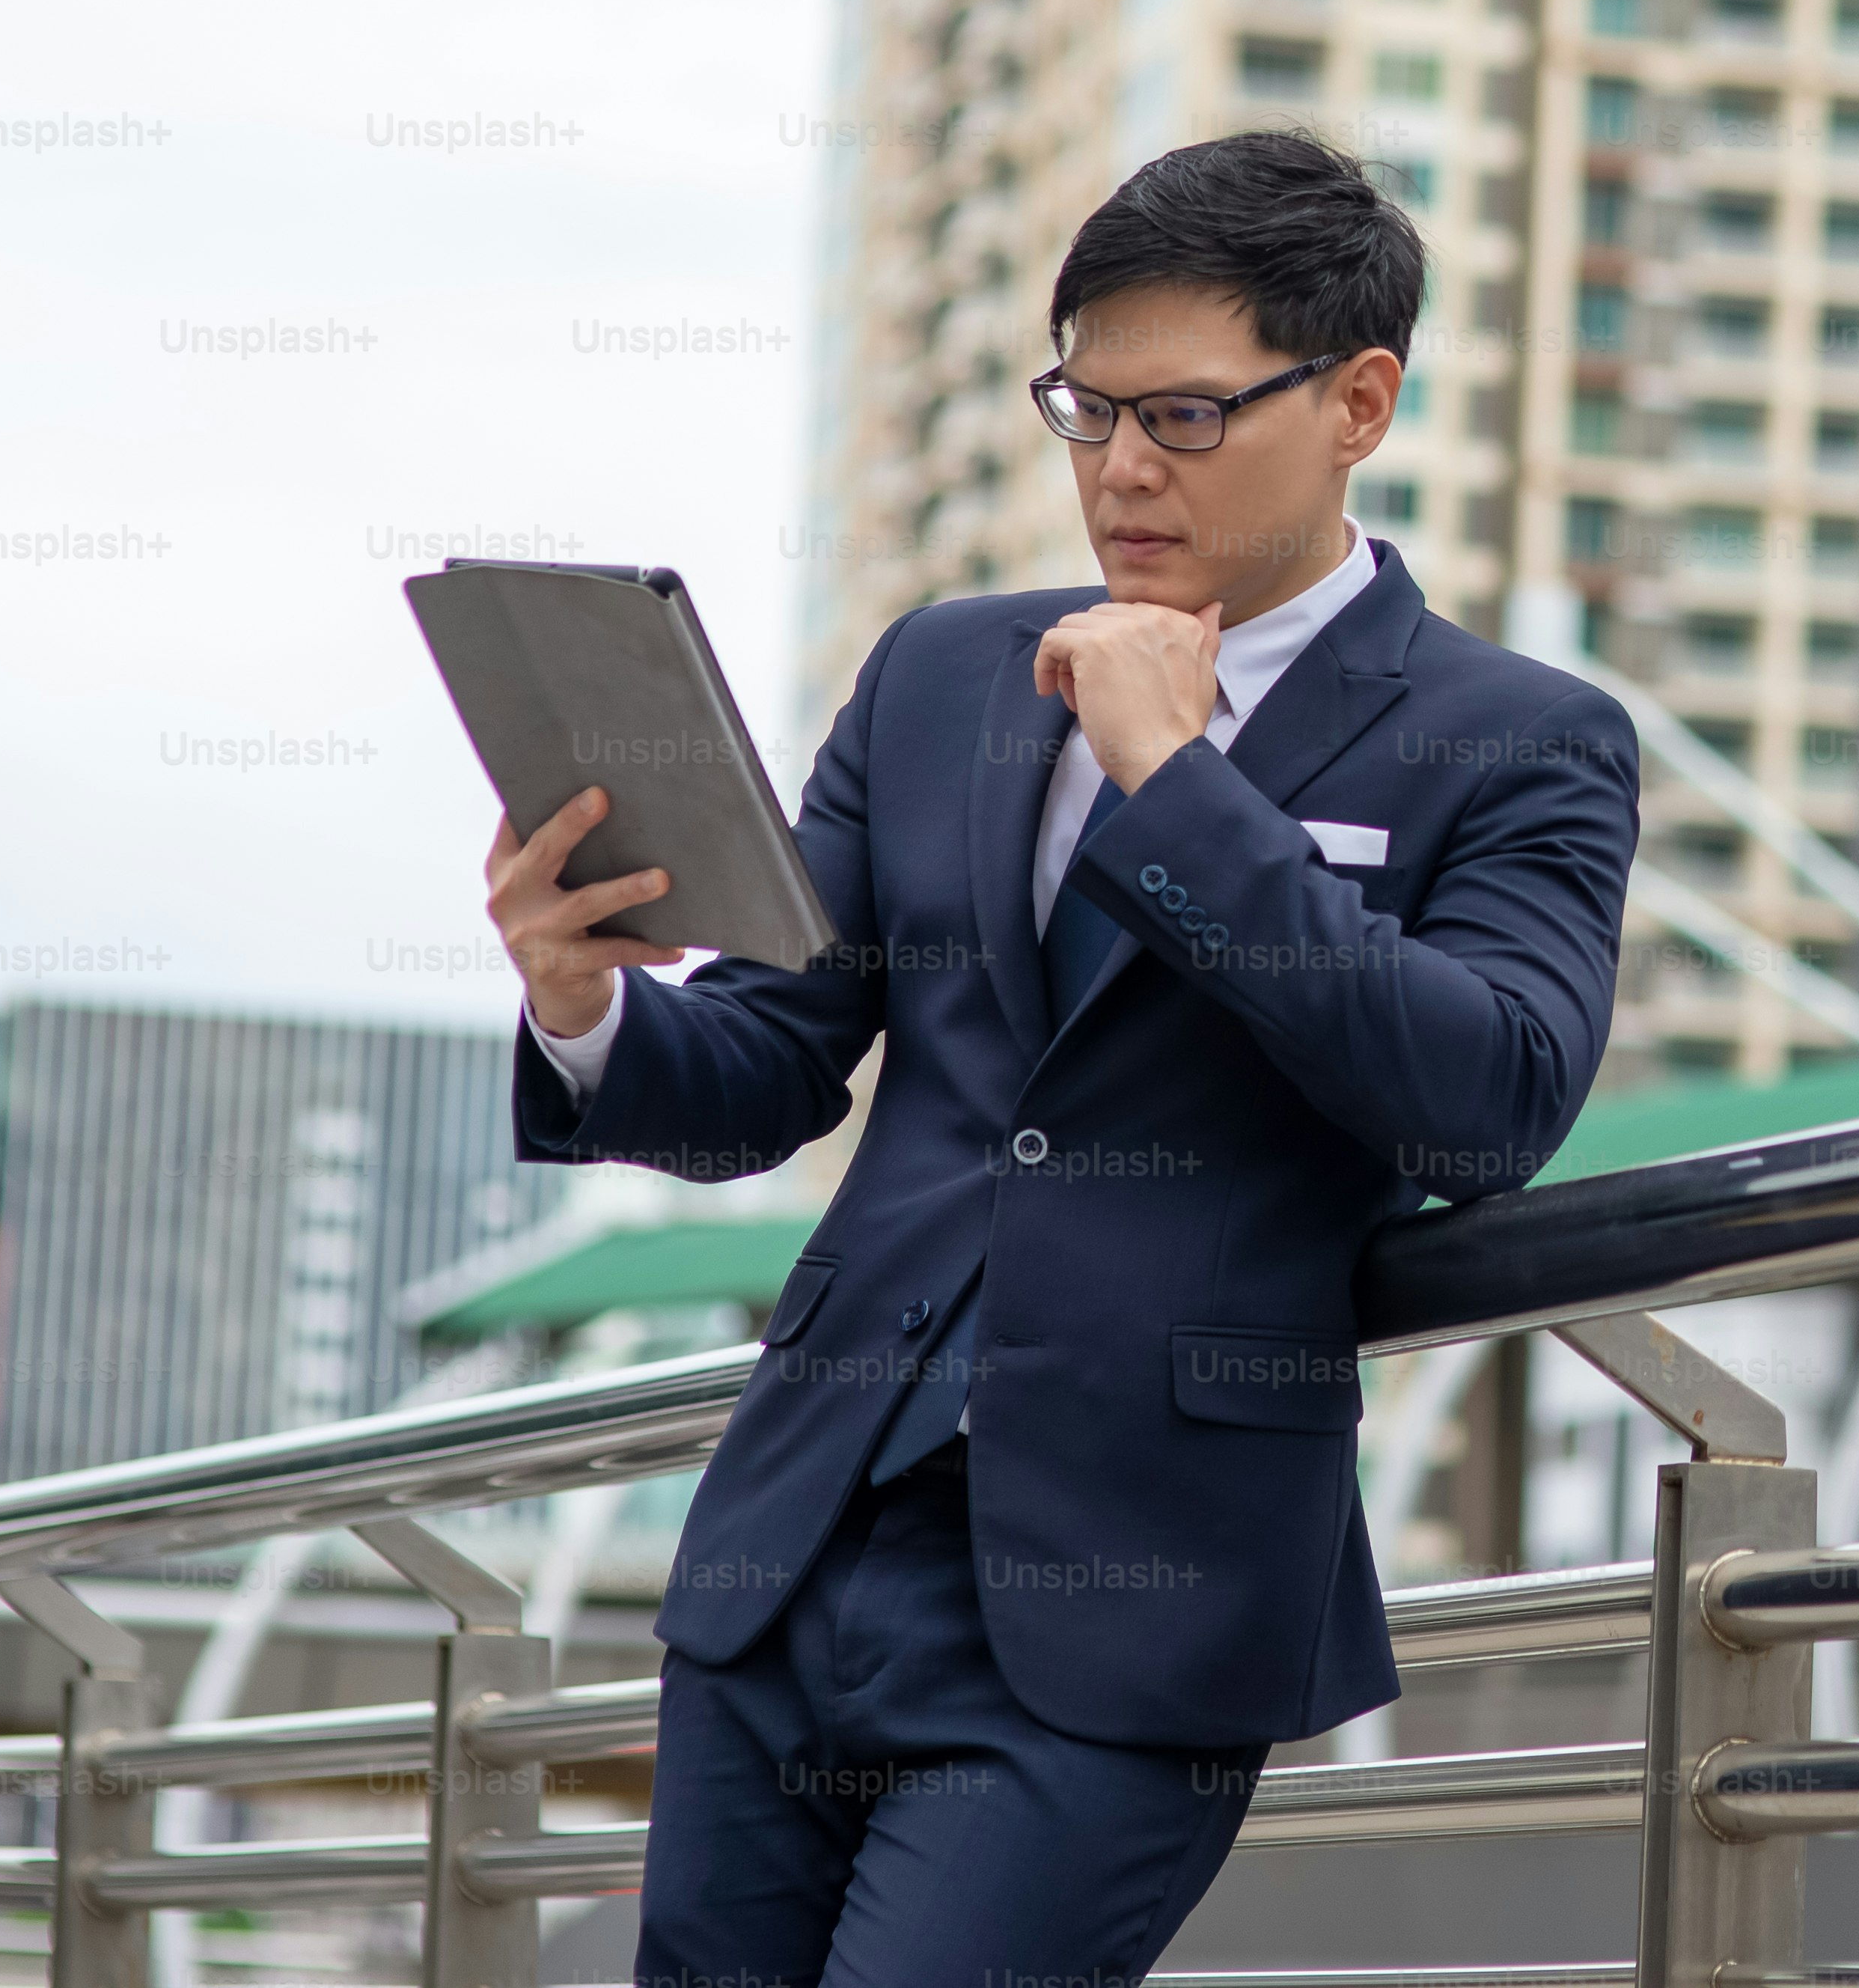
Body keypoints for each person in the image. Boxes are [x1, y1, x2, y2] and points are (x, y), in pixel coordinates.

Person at [485, 132, 1638, 1985]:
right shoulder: (944, 672)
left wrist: (1183, 786)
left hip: (1134, 1597)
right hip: (797, 1545)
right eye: (1084, 408)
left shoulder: (1516, 740)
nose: (1118, 468)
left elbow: (1491, 1096)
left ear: (1360, 402)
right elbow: (780, 1059)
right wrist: (584, 1000)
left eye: (1183, 415)